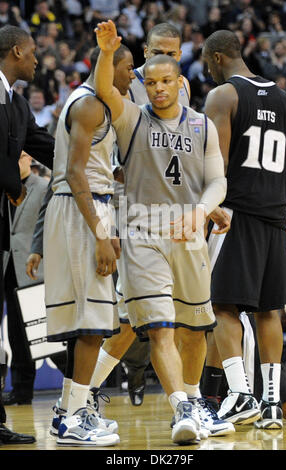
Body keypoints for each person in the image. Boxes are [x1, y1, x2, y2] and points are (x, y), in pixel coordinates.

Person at [94, 20, 233, 445]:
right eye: (150, 80)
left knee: (195, 328)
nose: (157, 87)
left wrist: (203, 210)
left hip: (189, 233)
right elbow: (105, 90)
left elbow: (217, 181)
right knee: (160, 328)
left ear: (180, 80)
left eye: (166, 80)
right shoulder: (132, 116)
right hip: (142, 229)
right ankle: (182, 407)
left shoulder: (201, 123)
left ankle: (192, 404)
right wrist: (104, 53)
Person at [202, 29, 286, 429]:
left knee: (222, 306)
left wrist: (207, 211)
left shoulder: (223, 96)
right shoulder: (281, 96)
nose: (208, 70)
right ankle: (273, 404)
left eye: (208, 64)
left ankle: (241, 394)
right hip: (276, 216)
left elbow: (215, 165)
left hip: (236, 213)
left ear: (218, 58)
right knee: (269, 311)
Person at [42, 43, 136, 447]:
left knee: (89, 322)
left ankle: (67, 411)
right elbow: (76, 174)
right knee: (90, 324)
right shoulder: (91, 105)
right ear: (108, 67)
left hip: (83, 209)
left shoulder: (91, 104)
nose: (132, 75)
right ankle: (76, 417)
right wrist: (101, 233)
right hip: (83, 212)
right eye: (129, 67)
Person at [93, 22, 191, 409]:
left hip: (170, 207)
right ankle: (178, 398)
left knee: (144, 316)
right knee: (137, 316)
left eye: (174, 53)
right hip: (127, 206)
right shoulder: (124, 81)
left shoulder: (180, 87)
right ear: (144, 52)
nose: (164, 59)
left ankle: (87, 391)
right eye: (156, 52)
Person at [0, 24, 55, 445]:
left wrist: (97, 166)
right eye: (33, 51)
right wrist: (15, 185)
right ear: (16, 50)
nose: (38, 59)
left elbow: (46, 145)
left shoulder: (17, 105)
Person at [2, 151, 66, 407]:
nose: (17, 162)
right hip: (8, 267)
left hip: (35, 270)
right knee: (16, 334)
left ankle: (82, 384)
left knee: (43, 335)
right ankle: (21, 390)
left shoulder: (43, 188)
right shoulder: (4, 188)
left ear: (30, 159)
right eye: (12, 158)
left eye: (21, 157)